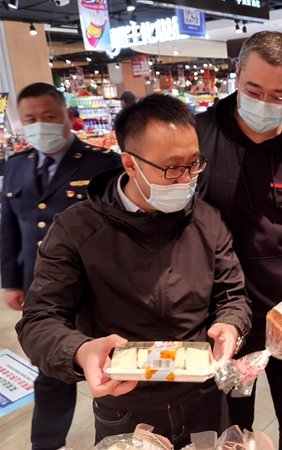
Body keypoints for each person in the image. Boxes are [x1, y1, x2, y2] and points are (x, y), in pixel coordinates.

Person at [15, 94, 252, 449]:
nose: (187, 178)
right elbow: (39, 319)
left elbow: (232, 296)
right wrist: (81, 351)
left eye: (194, 164)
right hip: (126, 403)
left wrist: (231, 324)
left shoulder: (207, 219)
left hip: (203, 397)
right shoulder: (77, 229)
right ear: (130, 164)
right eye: (172, 168)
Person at [195, 31, 282, 450]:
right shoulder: (199, 137)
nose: (265, 102)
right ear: (236, 77)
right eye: (253, 90)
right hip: (225, 313)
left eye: (279, 95)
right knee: (232, 425)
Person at [1, 82, 122, 450]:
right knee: (52, 369)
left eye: (49, 117)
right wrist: (11, 280)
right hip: (41, 288)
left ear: (68, 117)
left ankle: (120, 436)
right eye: (30, 119)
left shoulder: (103, 163)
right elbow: (9, 228)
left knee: (109, 366)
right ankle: (47, 444)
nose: (40, 125)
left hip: (95, 287)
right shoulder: (16, 164)